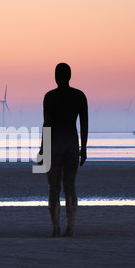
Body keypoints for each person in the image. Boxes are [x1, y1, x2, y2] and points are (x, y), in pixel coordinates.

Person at [38, 63, 88, 237]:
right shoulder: (79, 96)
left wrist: (42, 148)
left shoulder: (50, 97)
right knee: (70, 187)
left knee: (53, 188)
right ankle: (70, 228)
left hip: (55, 145)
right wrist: (84, 147)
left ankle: (55, 228)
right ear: (70, 76)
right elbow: (84, 124)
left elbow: (48, 125)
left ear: (56, 77)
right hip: (72, 145)